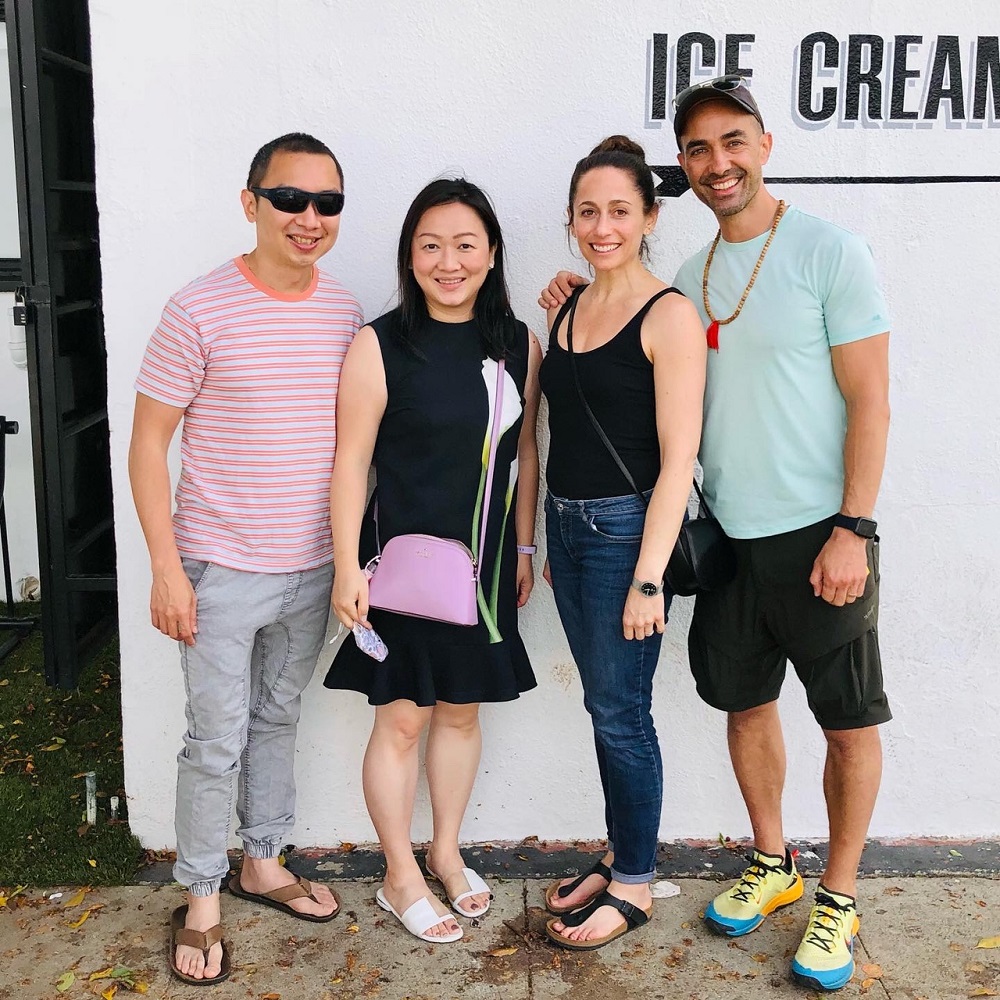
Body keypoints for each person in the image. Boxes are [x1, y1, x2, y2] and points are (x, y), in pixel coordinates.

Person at [540, 78, 891, 991]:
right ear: (683, 169)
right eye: (698, 149)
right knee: (746, 704)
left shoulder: (830, 251)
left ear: (766, 144)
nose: (717, 162)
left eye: (733, 141)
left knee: (847, 721)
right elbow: (629, 333)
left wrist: (854, 525)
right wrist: (581, 286)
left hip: (820, 531)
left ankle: (839, 897)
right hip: (728, 538)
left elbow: (871, 400)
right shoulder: (690, 276)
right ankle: (774, 863)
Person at [129, 133, 361, 985]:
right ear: (251, 201)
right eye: (290, 198)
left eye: (327, 202)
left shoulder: (344, 312)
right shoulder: (197, 308)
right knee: (214, 740)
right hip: (219, 570)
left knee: (276, 719)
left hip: (312, 568)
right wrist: (166, 568)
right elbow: (147, 445)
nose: (308, 217)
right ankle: (200, 899)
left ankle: (262, 861)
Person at [325, 177, 541, 944]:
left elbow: (524, 452)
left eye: (465, 245)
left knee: (460, 711)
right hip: (401, 569)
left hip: (483, 570)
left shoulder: (519, 343)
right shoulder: (379, 344)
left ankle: (445, 851)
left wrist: (523, 546)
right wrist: (346, 567)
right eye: (431, 246)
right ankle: (398, 874)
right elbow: (351, 462)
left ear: (492, 254)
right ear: (410, 256)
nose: (449, 262)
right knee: (402, 720)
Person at [539, 136, 706, 951]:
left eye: (618, 211)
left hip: (624, 538)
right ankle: (619, 850)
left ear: (649, 217)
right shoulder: (567, 305)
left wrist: (648, 578)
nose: (601, 227)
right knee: (603, 706)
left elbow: (679, 461)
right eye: (587, 212)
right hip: (566, 526)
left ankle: (636, 881)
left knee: (622, 713)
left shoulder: (669, 315)